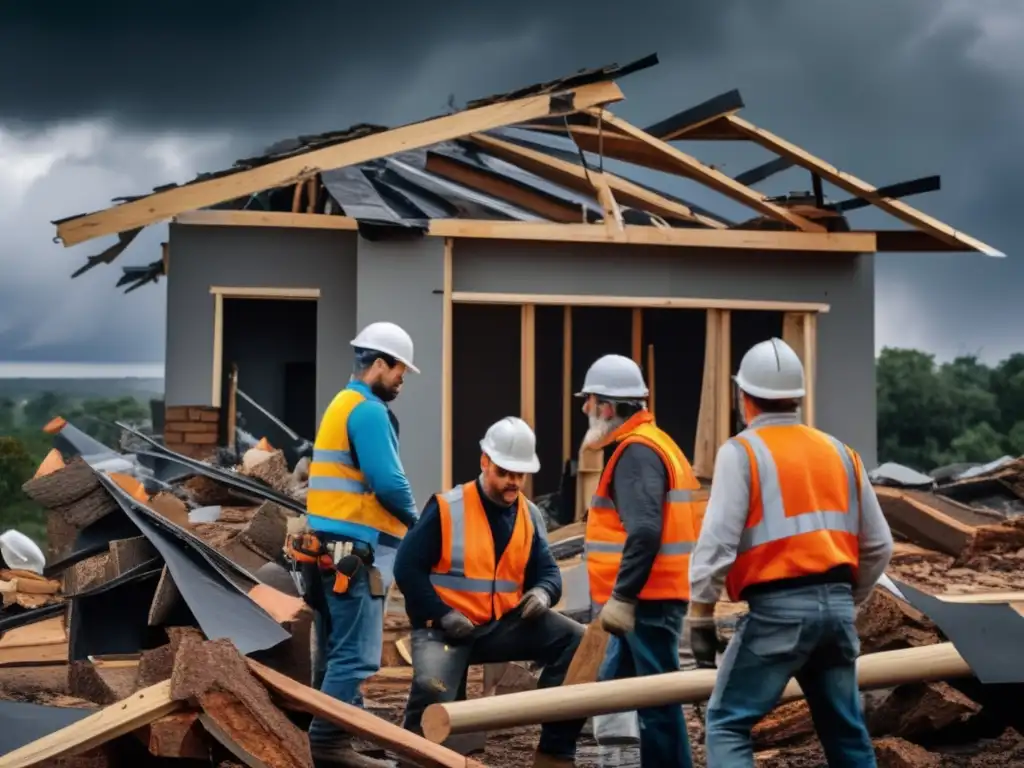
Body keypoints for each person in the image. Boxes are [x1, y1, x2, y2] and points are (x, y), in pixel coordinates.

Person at [688, 337, 894, 767]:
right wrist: (843, 601)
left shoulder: (741, 452)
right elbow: (879, 545)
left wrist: (701, 615)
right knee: (847, 734)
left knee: (726, 722)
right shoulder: (842, 453)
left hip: (777, 613)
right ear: (798, 397)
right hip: (837, 610)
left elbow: (718, 543)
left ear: (741, 395)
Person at [395, 416, 586, 768]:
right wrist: (443, 614)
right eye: (504, 472)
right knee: (433, 689)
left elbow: (548, 572)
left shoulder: (528, 514)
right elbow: (406, 570)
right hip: (445, 630)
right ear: (485, 461)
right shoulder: (447, 508)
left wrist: (543, 593)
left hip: (499, 626)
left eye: (520, 474)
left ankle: (555, 750)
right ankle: (412, 761)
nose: (513, 482)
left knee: (575, 640)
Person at [297, 321, 422, 767]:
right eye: (399, 369)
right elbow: (388, 482)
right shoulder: (368, 411)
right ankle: (328, 746)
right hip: (355, 552)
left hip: (328, 550)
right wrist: (420, 522)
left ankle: (345, 731)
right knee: (355, 656)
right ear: (379, 364)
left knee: (333, 650)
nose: (402, 379)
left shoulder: (341, 402)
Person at [580, 354, 706, 768]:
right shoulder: (657, 443)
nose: (585, 409)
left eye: (591, 400)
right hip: (651, 600)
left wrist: (622, 596)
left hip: (646, 604)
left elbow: (647, 530)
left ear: (610, 408)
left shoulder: (636, 453)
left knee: (657, 703)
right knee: (617, 692)